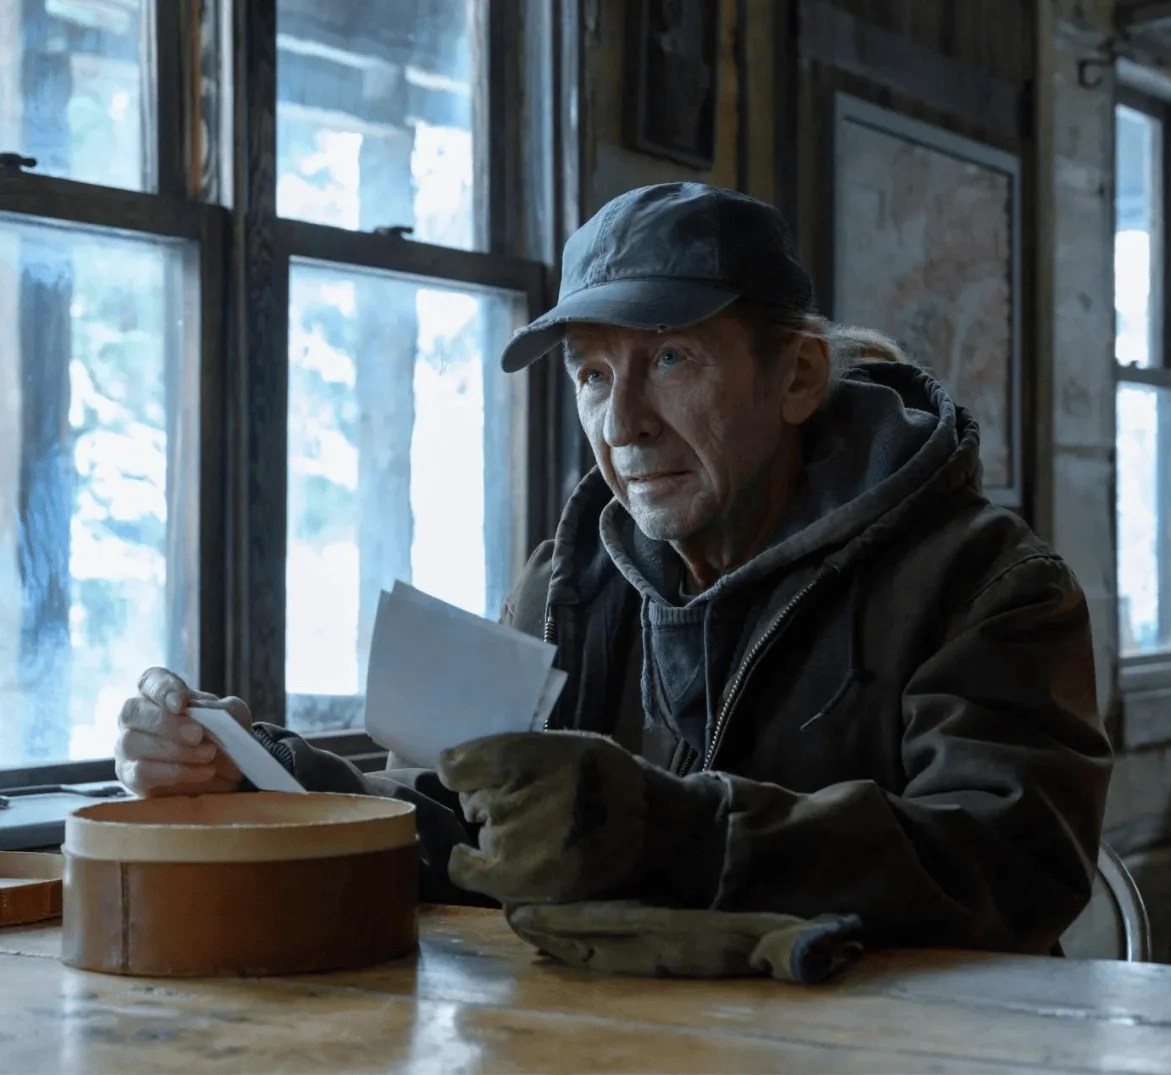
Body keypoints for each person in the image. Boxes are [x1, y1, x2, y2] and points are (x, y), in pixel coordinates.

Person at [116, 182, 1112, 954]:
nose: (623, 422)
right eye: (593, 374)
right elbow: (475, 825)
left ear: (796, 376)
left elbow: (1012, 867)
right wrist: (265, 771)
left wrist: (677, 834)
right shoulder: (565, 583)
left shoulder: (985, 582)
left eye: (671, 360)